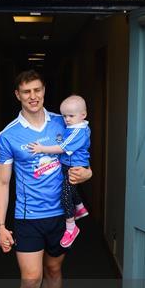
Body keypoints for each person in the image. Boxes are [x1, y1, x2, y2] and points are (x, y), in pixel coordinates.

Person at [0, 70, 92, 288]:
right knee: (31, 280)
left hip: (60, 216)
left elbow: (82, 160)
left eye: (37, 89)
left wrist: (87, 174)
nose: (33, 96)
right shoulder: (8, 135)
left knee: (53, 271)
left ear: (44, 90)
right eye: (26, 92)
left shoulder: (63, 122)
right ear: (18, 95)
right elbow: (1, 182)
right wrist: (0, 225)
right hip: (27, 219)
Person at [27, 94, 90, 248]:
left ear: (83, 115)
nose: (67, 119)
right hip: (70, 165)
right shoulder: (76, 126)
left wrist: (41, 148)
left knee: (65, 195)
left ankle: (71, 227)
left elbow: (62, 148)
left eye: (71, 116)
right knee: (69, 187)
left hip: (73, 166)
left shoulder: (77, 131)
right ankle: (80, 208)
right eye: (64, 116)